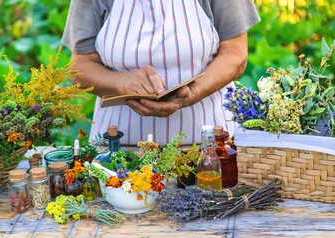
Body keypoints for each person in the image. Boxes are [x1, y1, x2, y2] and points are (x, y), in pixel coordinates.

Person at [62, 0, 260, 145]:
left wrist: (194, 92)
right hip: (119, 153)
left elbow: (235, 53)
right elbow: (81, 66)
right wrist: (122, 81)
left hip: (211, 147)